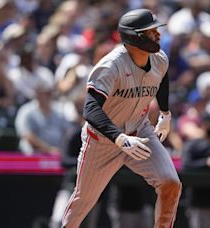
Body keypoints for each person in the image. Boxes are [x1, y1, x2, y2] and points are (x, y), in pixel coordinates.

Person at [61, 9, 182, 228]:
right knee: (83, 201)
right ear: (135, 37)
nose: (157, 34)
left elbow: (161, 79)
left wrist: (165, 113)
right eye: (151, 31)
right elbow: (90, 110)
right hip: (102, 140)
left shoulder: (159, 59)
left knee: (171, 183)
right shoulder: (111, 66)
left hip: (140, 131)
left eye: (156, 29)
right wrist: (119, 138)